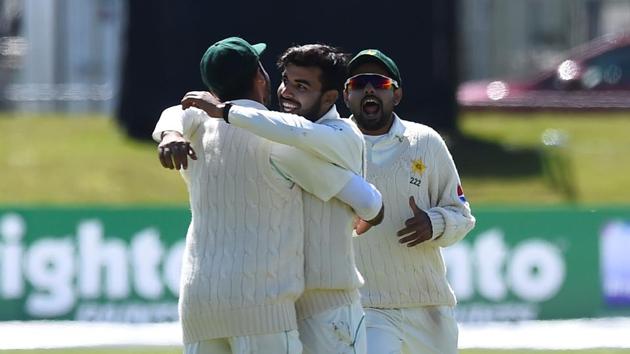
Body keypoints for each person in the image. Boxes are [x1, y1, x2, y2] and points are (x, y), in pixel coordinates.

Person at [153, 37, 382, 354]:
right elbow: (370, 203)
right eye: (286, 81)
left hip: (213, 302)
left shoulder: (198, 131)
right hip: (267, 306)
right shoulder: (277, 144)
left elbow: (178, 112)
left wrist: (174, 132)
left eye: (301, 85)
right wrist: (372, 208)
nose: (287, 91)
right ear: (261, 78)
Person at [343, 49, 476, 354]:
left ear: (397, 95)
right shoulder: (336, 144)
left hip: (428, 304)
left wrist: (434, 223)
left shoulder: (426, 142)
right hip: (367, 305)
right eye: (359, 83)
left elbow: (462, 215)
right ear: (346, 95)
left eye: (379, 83)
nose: (369, 90)